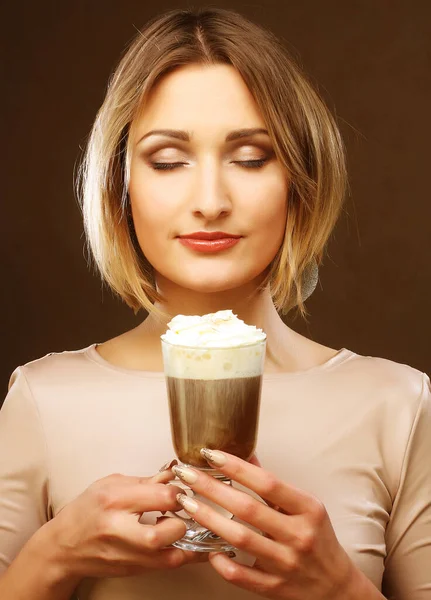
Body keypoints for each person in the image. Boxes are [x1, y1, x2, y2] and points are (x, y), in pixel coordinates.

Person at [0, 6, 429, 600]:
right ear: (119, 187)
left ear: (299, 181)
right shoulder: (41, 400)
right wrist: (53, 556)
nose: (210, 200)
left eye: (251, 157)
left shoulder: (398, 406)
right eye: (168, 161)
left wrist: (339, 589)